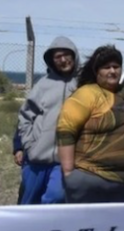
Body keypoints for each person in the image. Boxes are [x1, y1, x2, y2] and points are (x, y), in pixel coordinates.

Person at [56, 45, 124, 203]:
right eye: (106, 67)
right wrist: (68, 173)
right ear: (96, 71)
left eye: (116, 66)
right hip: (88, 179)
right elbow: (65, 131)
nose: (112, 71)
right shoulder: (86, 94)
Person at [17, 36, 80, 205]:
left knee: (55, 197)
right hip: (36, 158)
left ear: (74, 56)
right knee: (28, 203)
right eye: (58, 56)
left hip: (64, 160)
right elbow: (25, 116)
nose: (63, 60)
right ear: (51, 61)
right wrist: (29, 145)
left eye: (67, 54)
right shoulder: (43, 85)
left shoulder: (82, 85)